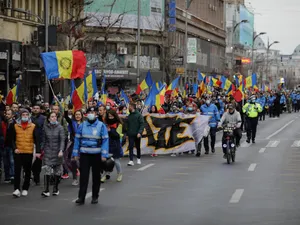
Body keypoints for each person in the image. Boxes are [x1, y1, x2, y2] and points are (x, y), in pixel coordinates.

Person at [72, 107, 109, 205]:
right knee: (83, 177)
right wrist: (75, 154)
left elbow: (105, 140)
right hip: (84, 155)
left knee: (96, 177)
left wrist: (104, 154)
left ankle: (95, 197)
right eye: (89, 112)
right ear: (86, 114)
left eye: (93, 112)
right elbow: (77, 140)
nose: (91, 114)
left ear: (96, 114)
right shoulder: (82, 125)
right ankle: (81, 197)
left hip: (97, 155)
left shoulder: (101, 126)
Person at [11, 109, 40, 197]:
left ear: (29, 115)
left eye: (26, 114)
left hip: (28, 151)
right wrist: (14, 148)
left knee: (27, 171)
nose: (25, 116)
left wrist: (38, 151)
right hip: (18, 151)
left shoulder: (33, 126)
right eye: (23, 114)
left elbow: (37, 139)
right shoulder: (15, 125)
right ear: (20, 115)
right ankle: (16, 189)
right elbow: (12, 139)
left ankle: (25, 188)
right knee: (17, 171)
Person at [41, 112, 65, 197]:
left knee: (57, 171)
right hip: (47, 151)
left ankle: (55, 188)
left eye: (55, 116)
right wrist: (41, 150)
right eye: (52, 117)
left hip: (57, 152)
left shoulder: (60, 128)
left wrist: (61, 150)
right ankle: (46, 190)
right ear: (48, 118)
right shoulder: (45, 128)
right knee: (47, 170)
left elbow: (62, 140)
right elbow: (43, 140)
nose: (53, 118)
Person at [101, 110, 124, 183]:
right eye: (109, 116)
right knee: (107, 161)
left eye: (112, 116)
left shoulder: (119, 124)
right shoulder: (106, 124)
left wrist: (110, 131)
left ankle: (119, 174)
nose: (110, 118)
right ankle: (106, 174)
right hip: (107, 144)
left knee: (116, 161)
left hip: (115, 144)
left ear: (115, 116)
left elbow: (118, 136)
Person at [64, 108, 83, 186]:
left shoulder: (85, 124)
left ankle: (82, 177)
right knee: (73, 161)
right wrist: (65, 110)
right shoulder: (72, 123)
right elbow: (66, 116)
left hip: (83, 145)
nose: (77, 116)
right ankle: (75, 178)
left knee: (82, 162)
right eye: (76, 115)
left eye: (79, 114)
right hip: (73, 144)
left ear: (81, 116)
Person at [31, 103, 46, 185]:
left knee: (38, 160)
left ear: (40, 109)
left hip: (40, 142)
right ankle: (34, 174)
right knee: (32, 160)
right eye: (34, 108)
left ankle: (37, 176)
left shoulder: (43, 118)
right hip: (31, 142)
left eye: (37, 108)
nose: (36, 109)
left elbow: (45, 130)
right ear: (32, 109)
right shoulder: (29, 118)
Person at [1, 109, 15, 183]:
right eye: (6, 114)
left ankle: (12, 176)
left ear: (12, 115)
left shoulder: (15, 123)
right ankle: (7, 176)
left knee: (12, 161)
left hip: (11, 145)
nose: (7, 115)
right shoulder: (2, 123)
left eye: (9, 114)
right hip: (4, 145)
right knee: (5, 162)